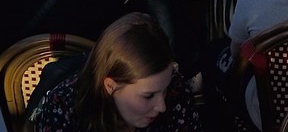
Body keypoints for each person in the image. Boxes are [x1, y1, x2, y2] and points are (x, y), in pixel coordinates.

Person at [29, 13, 198, 132]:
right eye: (148, 96)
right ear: (110, 86)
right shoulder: (64, 109)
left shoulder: (177, 90)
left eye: (164, 89)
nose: (162, 106)